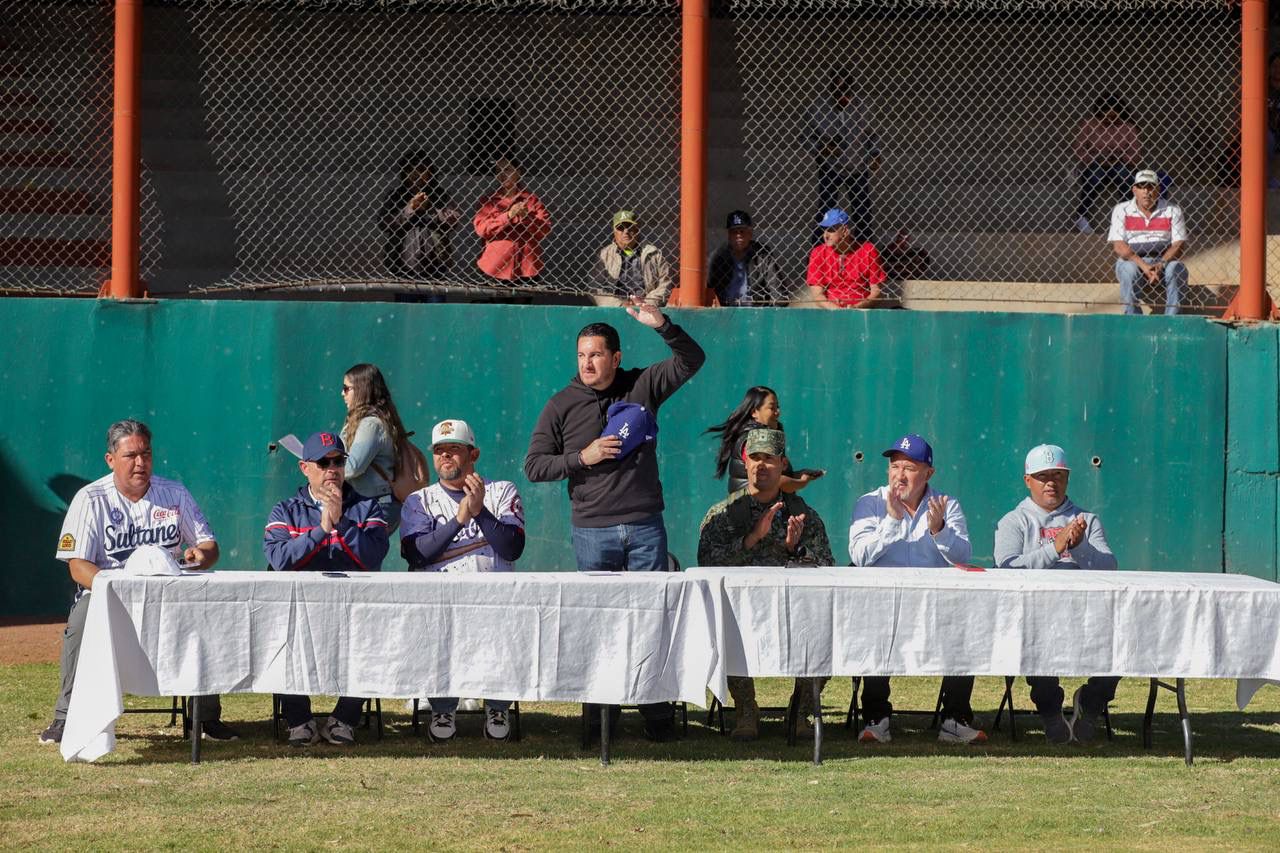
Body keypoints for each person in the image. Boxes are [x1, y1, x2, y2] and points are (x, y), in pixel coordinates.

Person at [524, 300, 705, 741]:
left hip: (644, 524)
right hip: (592, 529)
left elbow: (692, 360)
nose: (588, 363)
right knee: (598, 624)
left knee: (650, 619)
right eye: (582, 355)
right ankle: (600, 717)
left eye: (597, 355)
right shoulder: (561, 405)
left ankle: (655, 712)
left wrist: (661, 324)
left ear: (616, 357)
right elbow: (534, 466)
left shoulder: (641, 385)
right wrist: (579, 458)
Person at [41, 419, 238, 745]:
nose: (140, 463)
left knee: (206, 613)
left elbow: (209, 547)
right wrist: (112, 588)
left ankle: (206, 718)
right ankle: (66, 716)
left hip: (168, 592)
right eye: (131, 455)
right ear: (110, 460)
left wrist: (198, 556)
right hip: (110, 594)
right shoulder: (90, 498)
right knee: (80, 620)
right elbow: (77, 566)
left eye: (146, 454)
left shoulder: (173, 493)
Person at [847, 433, 986, 745]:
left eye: (909, 468)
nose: (899, 475)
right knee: (876, 628)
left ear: (928, 473)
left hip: (934, 607)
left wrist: (939, 531)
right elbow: (859, 556)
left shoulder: (946, 505)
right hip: (883, 605)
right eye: (894, 467)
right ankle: (876, 718)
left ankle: (955, 719)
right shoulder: (869, 504)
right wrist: (893, 522)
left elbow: (962, 555)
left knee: (965, 627)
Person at [697, 428, 834, 741]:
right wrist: (752, 538)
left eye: (769, 459)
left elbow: (827, 567)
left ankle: (800, 710)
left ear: (782, 464)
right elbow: (706, 561)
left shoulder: (802, 515)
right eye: (754, 458)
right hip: (741, 613)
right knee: (724, 626)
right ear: (745, 463)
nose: (761, 465)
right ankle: (745, 709)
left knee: (826, 632)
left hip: (794, 611)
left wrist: (794, 548)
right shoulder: (724, 515)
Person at [400, 419, 525, 742]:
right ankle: (442, 707)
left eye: (454, 450)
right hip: (440, 597)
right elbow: (416, 554)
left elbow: (513, 547)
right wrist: (459, 519)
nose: (445, 457)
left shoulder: (500, 491)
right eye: (439, 451)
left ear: (474, 454)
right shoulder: (420, 500)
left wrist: (480, 511)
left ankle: (497, 706)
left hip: (493, 597)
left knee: (501, 640)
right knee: (438, 638)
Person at [263, 431, 390, 747]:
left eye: (338, 461)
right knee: (278, 635)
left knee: (378, 635)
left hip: (354, 611)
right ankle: (299, 721)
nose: (332, 468)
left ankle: (344, 720)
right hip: (300, 611)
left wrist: (342, 524)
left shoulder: (367, 507)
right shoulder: (285, 510)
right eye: (323, 462)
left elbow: (373, 557)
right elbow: (280, 560)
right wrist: (322, 530)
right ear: (305, 468)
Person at [993, 443, 1119, 745]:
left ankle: (1090, 704)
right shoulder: (1014, 521)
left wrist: (1080, 547)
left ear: (1067, 478)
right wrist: (1055, 548)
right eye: (1042, 476)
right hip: (1034, 616)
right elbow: (1006, 568)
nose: (1051, 482)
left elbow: (1110, 567)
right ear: (1028, 481)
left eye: (1057, 475)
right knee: (1035, 637)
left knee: (1123, 638)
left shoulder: (1087, 520)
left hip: (1086, 615)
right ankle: (1051, 712)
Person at [340, 363, 418, 532]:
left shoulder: (371, 424)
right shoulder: (359, 421)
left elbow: (352, 468)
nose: (342, 394)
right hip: (368, 504)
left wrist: (324, 467)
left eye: (346, 389)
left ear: (361, 389)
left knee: (357, 557)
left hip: (376, 506)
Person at [705, 385, 824, 494]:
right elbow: (774, 482)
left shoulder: (767, 436)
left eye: (778, 407)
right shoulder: (755, 438)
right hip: (751, 510)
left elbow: (775, 475)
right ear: (754, 412)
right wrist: (801, 482)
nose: (778, 412)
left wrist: (798, 475)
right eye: (772, 408)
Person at [806, 71, 879, 243]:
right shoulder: (819, 109)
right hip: (830, 167)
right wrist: (822, 149)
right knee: (826, 209)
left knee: (863, 212)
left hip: (857, 165)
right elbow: (805, 137)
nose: (843, 97)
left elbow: (872, 134)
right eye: (838, 92)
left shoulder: (862, 108)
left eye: (846, 92)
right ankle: (819, 250)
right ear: (831, 91)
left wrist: (875, 154)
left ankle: (864, 251)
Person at [1108, 168, 1187, 316]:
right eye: (1142, 186)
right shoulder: (1121, 210)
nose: (1146, 191)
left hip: (1163, 260)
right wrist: (1144, 266)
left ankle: (1171, 320)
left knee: (1177, 268)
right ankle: (1133, 320)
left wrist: (1161, 264)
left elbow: (1179, 245)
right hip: (1133, 260)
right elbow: (1119, 246)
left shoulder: (1172, 210)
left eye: (1150, 186)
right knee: (1128, 270)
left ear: (1158, 189)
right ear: (1134, 190)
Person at [379, 150, 461, 281]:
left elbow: (453, 221)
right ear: (404, 173)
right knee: (406, 300)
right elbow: (384, 223)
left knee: (435, 300)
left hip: (436, 262)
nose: (416, 174)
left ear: (430, 172)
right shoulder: (395, 195)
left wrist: (430, 211)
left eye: (421, 170)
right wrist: (410, 208)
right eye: (410, 170)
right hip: (402, 261)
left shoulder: (440, 194)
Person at [1072, 93, 1140, 234]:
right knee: (1094, 177)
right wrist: (1093, 158)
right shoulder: (1089, 125)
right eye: (1105, 116)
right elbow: (1079, 148)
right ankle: (1081, 215)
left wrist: (1122, 158)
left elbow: (1135, 152)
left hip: (1119, 163)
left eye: (1114, 116)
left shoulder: (1127, 127)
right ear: (1099, 112)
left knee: (1125, 177)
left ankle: (1125, 217)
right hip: (1096, 162)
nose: (1109, 119)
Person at [474, 156, 552, 281]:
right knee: (496, 300)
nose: (502, 174)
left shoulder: (532, 200)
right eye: (498, 171)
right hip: (495, 266)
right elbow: (481, 229)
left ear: (518, 172)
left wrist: (526, 218)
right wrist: (508, 216)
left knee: (523, 299)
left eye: (507, 170)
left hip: (526, 267)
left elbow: (545, 229)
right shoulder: (488, 201)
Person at [805, 208, 887, 309]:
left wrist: (856, 307)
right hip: (832, 310)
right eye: (824, 230)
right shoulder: (818, 253)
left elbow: (876, 292)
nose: (825, 235)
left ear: (845, 230)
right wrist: (837, 310)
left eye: (831, 230)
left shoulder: (868, 250)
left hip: (861, 310)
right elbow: (818, 295)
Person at [705, 210, 787, 306]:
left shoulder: (762, 255)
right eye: (734, 232)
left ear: (750, 233)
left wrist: (769, 315)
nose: (738, 236)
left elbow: (778, 291)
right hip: (726, 309)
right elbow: (708, 287)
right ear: (729, 235)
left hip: (755, 311)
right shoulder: (719, 256)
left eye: (742, 231)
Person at [594, 210, 673, 307]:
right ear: (614, 231)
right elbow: (594, 286)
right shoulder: (605, 254)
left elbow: (665, 283)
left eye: (629, 227)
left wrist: (647, 303)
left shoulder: (653, 253)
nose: (626, 232)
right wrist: (618, 304)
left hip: (647, 306)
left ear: (637, 229)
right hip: (615, 308)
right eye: (621, 228)